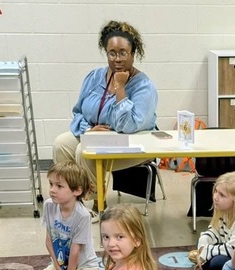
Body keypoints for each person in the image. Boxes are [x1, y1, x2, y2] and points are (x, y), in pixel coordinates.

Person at [52, 20, 158, 209]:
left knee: (84, 152)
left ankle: (96, 203)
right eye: (112, 53)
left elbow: (129, 126)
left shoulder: (144, 86)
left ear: (133, 54)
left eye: (123, 53)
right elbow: (78, 112)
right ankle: (72, 201)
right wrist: (89, 130)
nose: (117, 59)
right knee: (61, 144)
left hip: (133, 143)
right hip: (96, 135)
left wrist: (120, 87)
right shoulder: (94, 77)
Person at [25, 163, 99, 270]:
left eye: (59, 186)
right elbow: (49, 241)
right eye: (51, 184)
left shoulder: (82, 215)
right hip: (62, 263)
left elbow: (75, 251)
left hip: (83, 267)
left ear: (76, 191)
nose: (52, 190)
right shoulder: (49, 205)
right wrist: (58, 268)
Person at [188, 171, 235, 270]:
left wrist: (206, 251)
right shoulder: (224, 212)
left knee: (217, 261)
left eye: (222, 195)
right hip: (230, 252)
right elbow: (212, 231)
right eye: (215, 191)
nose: (215, 197)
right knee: (206, 245)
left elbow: (232, 250)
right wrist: (203, 246)